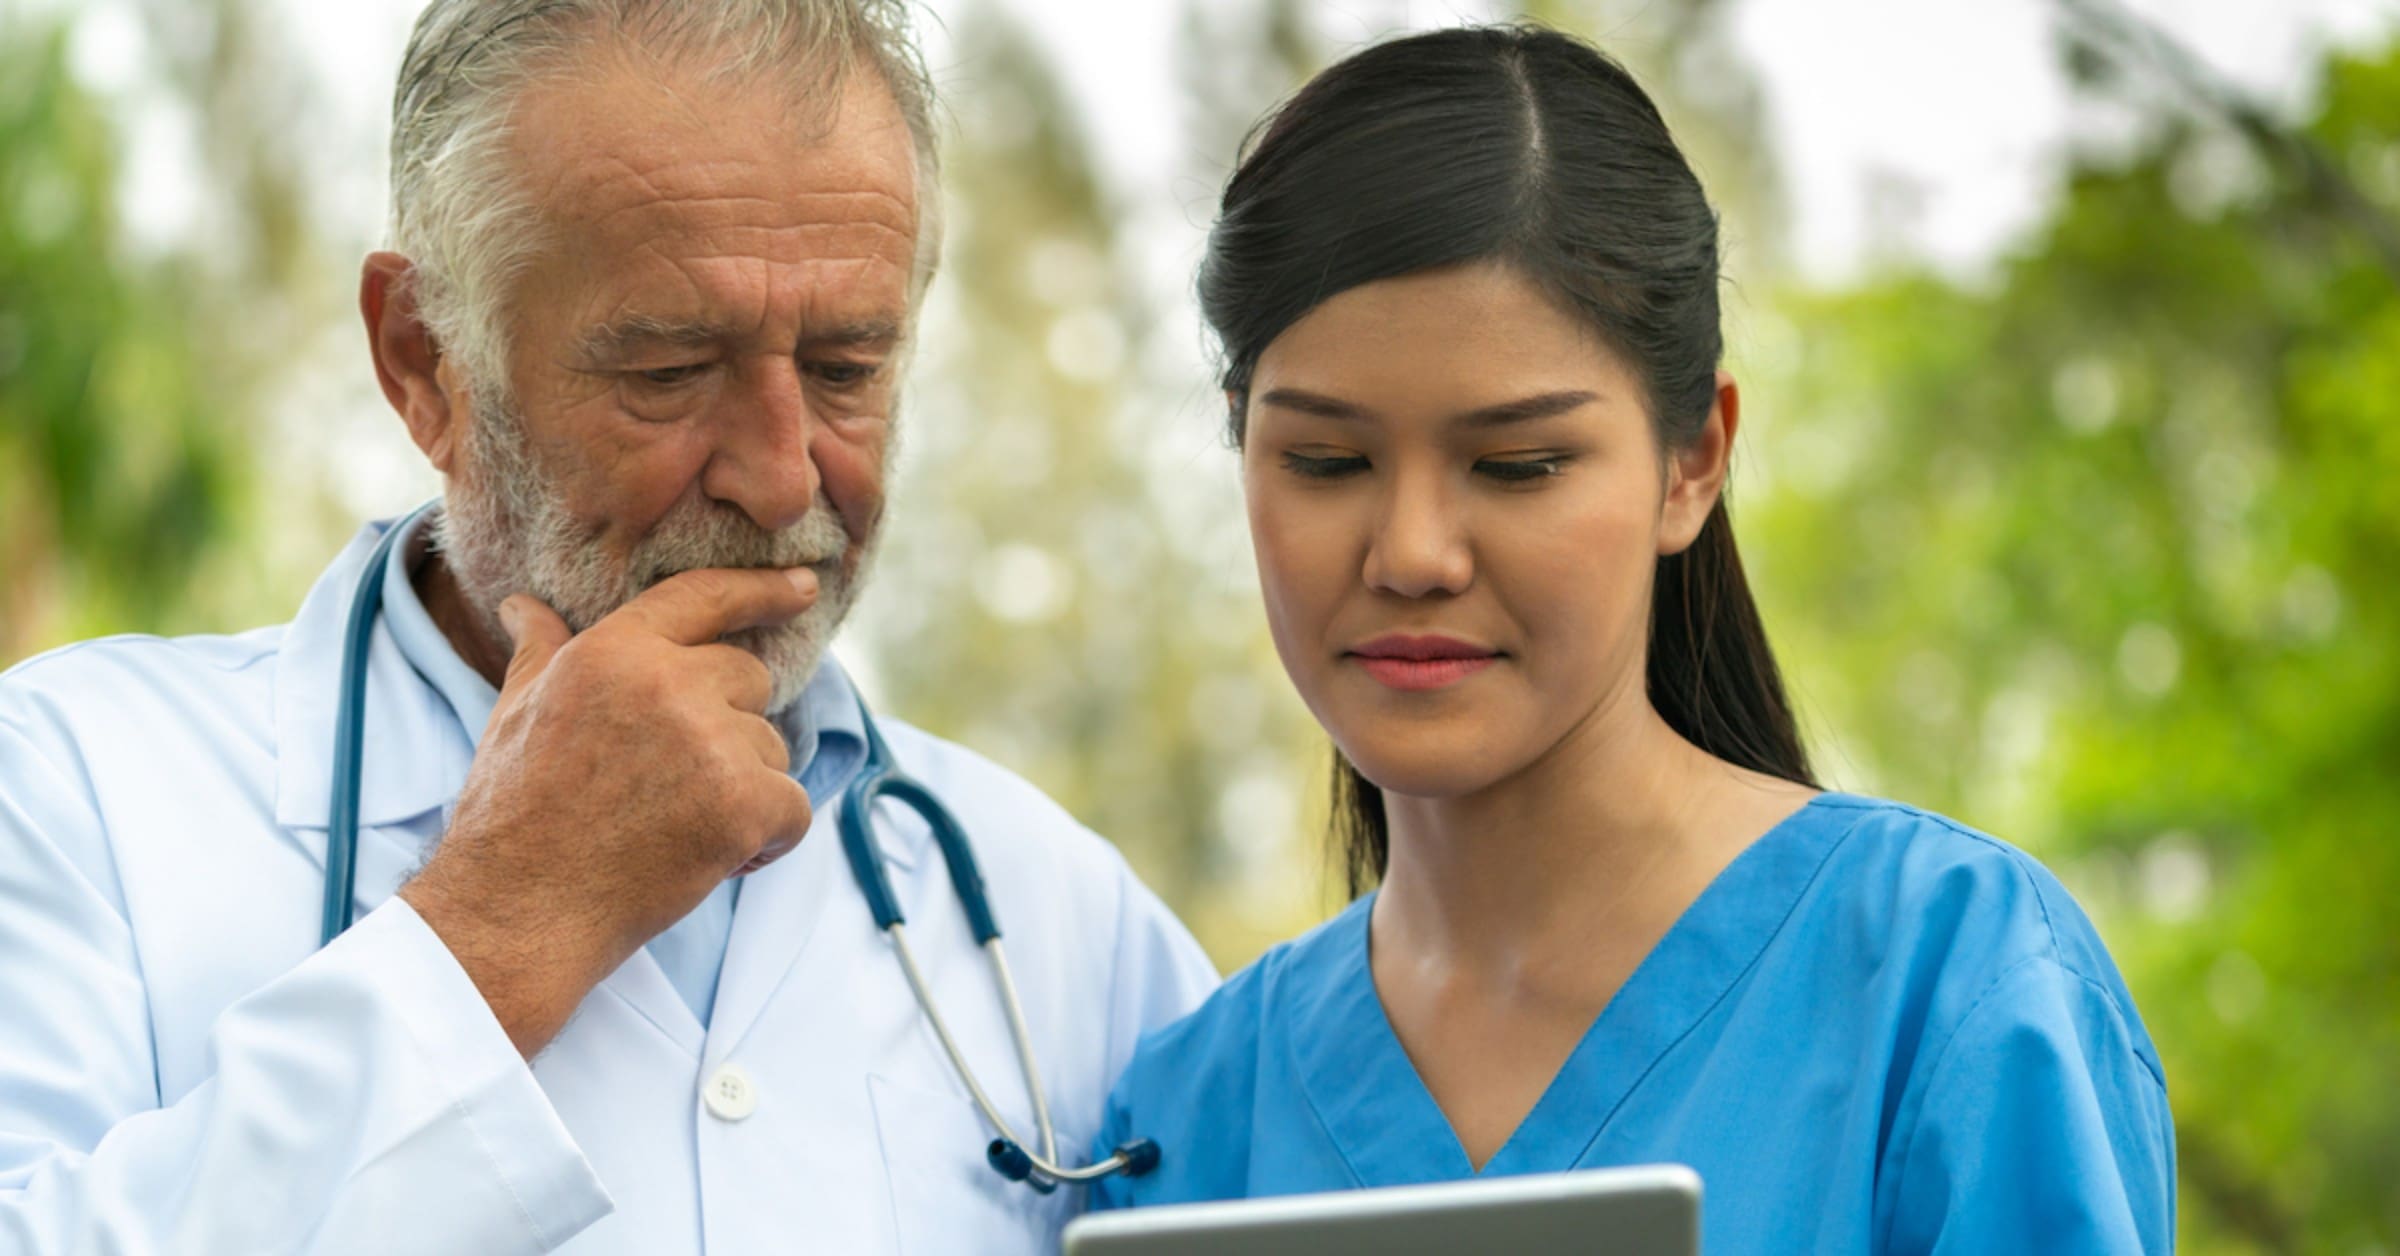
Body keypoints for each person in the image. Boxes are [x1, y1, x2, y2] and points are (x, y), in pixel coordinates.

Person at [0, 2, 1215, 1252]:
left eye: (848, 366)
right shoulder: (69, 793)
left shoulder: (1060, 912)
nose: (786, 478)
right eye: (670, 371)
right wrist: (505, 921)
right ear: (423, 361)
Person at [1087, 24, 2174, 1253]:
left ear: (1692, 459)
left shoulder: (1950, 984)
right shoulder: (1184, 1122)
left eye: (1520, 463)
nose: (1412, 554)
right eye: (1326, 460)